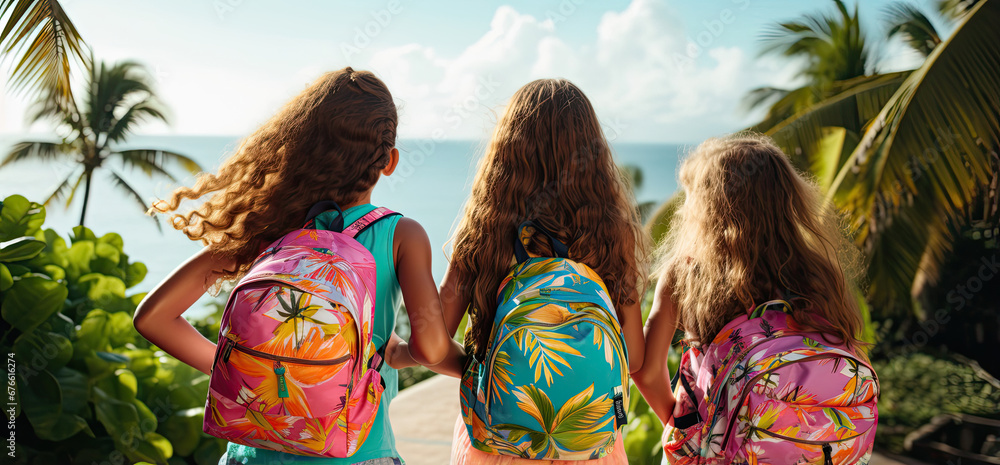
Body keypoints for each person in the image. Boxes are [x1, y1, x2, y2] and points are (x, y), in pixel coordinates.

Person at [133, 67, 462, 465]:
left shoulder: (266, 225)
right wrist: (392, 353)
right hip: (357, 453)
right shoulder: (401, 235)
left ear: (298, 148)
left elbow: (152, 317)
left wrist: (247, 374)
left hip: (252, 456)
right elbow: (430, 349)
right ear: (389, 160)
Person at [437, 78, 650, 465]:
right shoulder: (611, 234)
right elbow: (633, 358)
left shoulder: (485, 230)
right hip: (590, 447)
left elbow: (431, 345)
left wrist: (485, 376)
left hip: (498, 443)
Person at [634, 134, 877, 464]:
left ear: (706, 211)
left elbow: (646, 372)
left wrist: (688, 425)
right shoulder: (817, 272)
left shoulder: (687, 273)